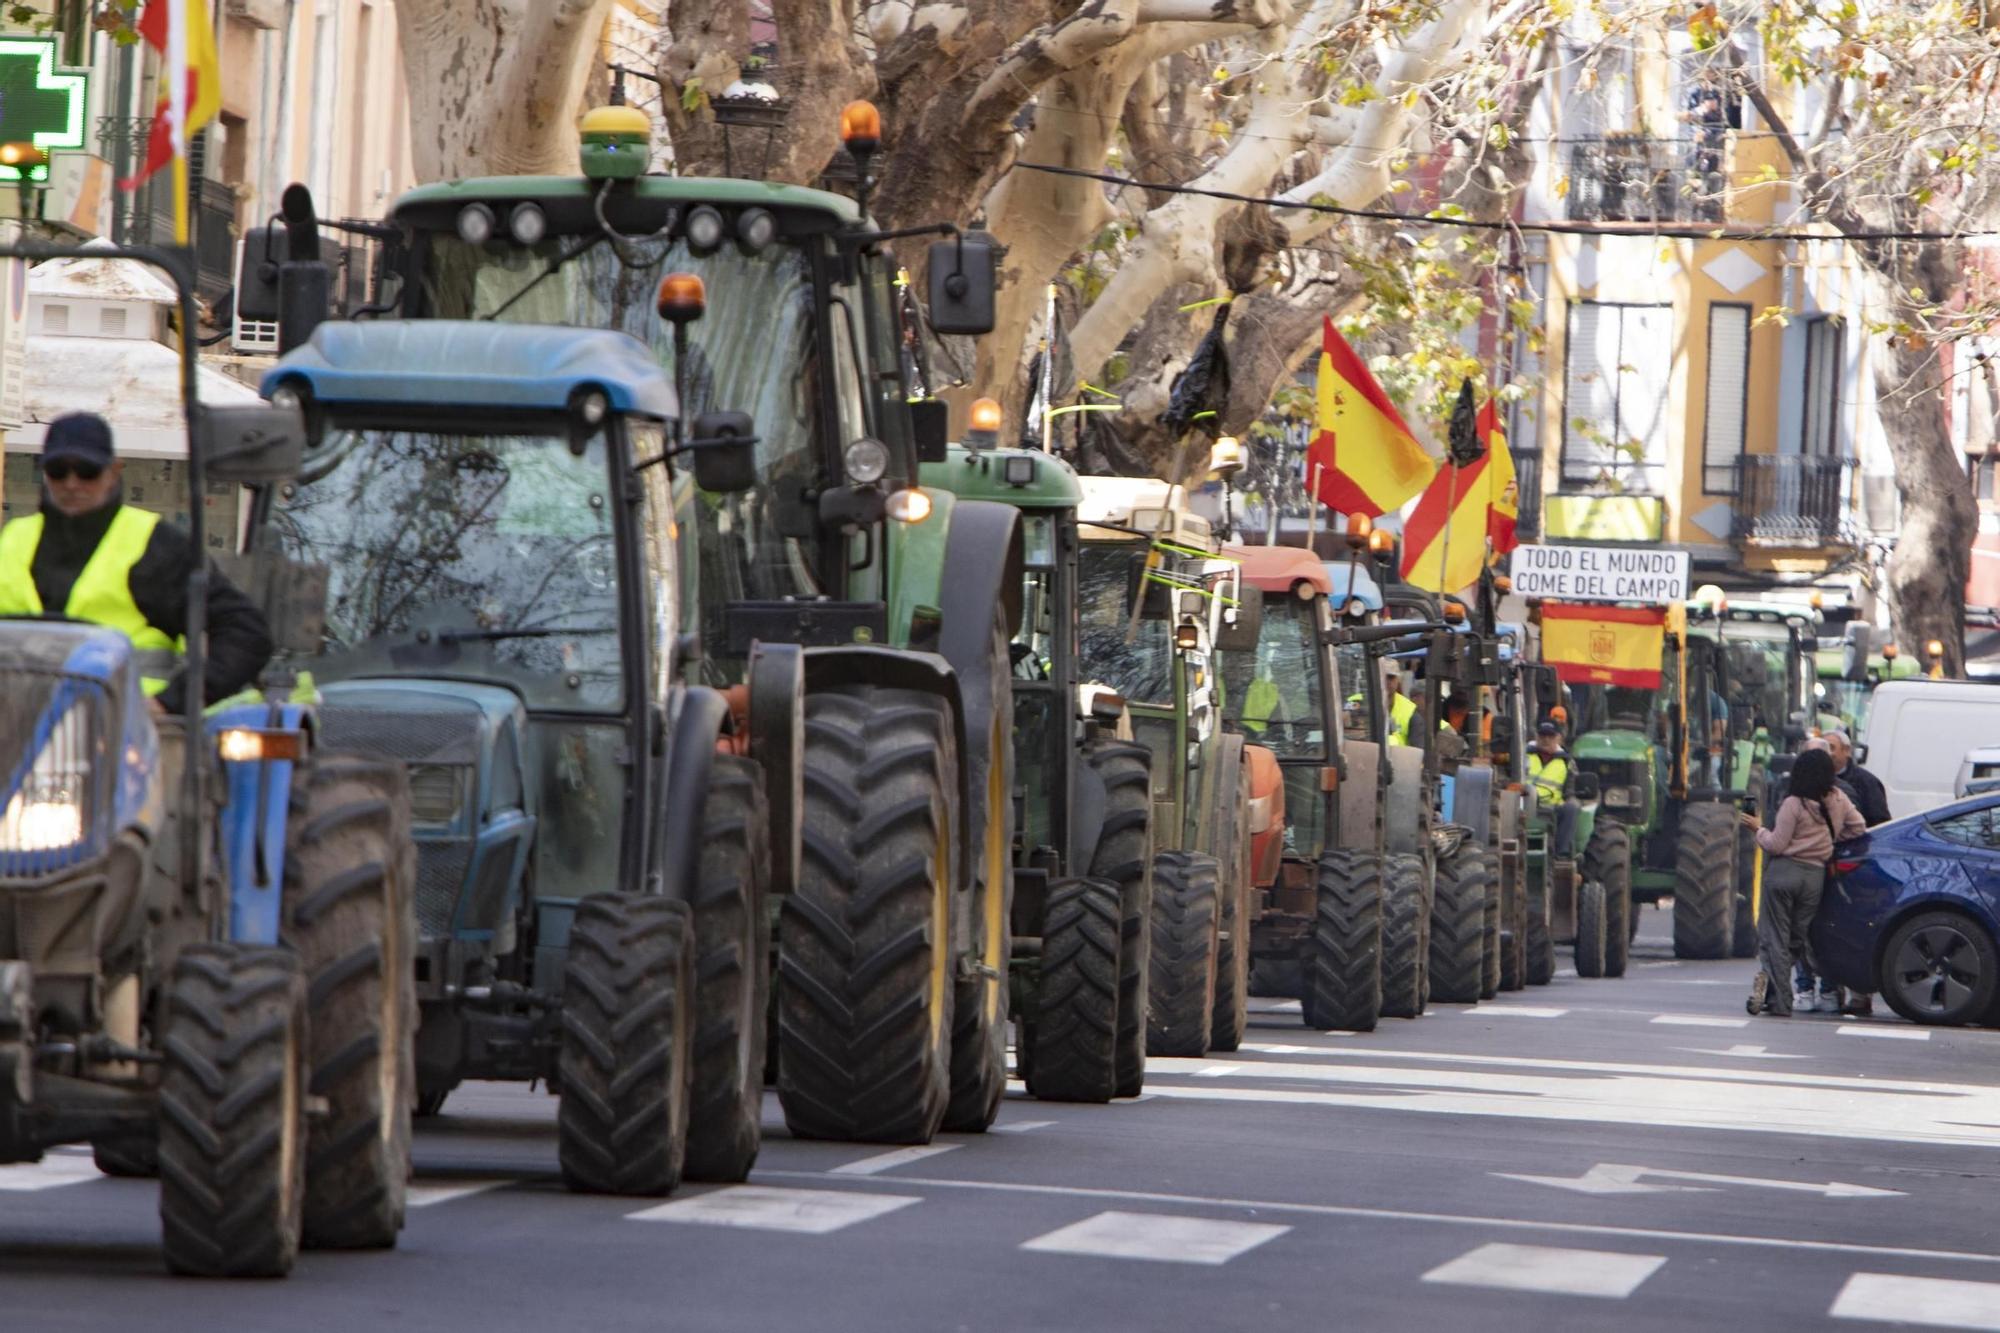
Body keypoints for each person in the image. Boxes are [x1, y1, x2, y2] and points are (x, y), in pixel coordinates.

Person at [0, 412, 272, 713]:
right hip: (13, 732)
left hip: (126, 740)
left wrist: (168, 704)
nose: (72, 483)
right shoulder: (12, 540)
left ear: (114, 471)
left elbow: (246, 632)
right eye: (58, 471)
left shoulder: (154, 545)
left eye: (87, 471)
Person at [1748, 747, 1865, 1018]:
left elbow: (1776, 844)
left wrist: (1758, 829)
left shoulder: (1794, 803)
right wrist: (1829, 841)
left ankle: (1779, 1000)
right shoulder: (1838, 799)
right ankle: (1770, 989)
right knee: (1796, 941)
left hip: (1784, 874)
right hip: (1815, 878)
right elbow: (1858, 827)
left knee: (1774, 938)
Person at [1528, 720, 1578, 856]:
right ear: (1536, 737)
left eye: (1550, 736)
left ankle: (1562, 853)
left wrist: (1571, 799)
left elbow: (1570, 790)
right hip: (1524, 806)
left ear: (1559, 739)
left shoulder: (1567, 762)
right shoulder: (1524, 756)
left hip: (1552, 809)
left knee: (1572, 808)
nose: (1546, 740)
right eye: (1542, 736)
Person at [1825, 729, 1890, 828]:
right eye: (1823, 749)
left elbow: (1879, 823)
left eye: (1831, 748)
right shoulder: (1810, 779)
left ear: (1846, 750)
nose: (1827, 753)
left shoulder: (1867, 782)